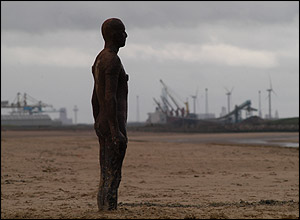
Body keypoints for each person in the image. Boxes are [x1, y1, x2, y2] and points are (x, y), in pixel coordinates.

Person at [91, 18, 128, 211]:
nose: (126, 35)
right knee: (113, 171)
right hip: (114, 122)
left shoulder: (99, 58)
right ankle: (109, 208)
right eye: (122, 32)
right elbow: (109, 96)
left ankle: (103, 206)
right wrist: (115, 131)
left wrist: (97, 120)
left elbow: (94, 97)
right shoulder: (112, 60)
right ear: (114, 35)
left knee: (105, 169)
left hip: (103, 120)